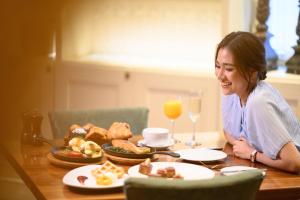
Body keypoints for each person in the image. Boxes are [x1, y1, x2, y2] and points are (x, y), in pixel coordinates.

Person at [215, 31, 300, 173]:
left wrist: (252, 153)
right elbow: (228, 131)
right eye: (218, 66)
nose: (220, 75)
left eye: (229, 68)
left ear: (252, 72)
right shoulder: (232, 91)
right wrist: (240, 145)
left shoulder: (258, 102)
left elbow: (295, 163)